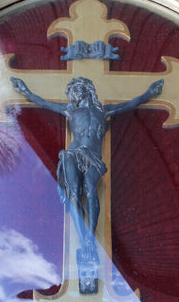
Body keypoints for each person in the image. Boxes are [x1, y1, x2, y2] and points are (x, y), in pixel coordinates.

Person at [11, 75, 163, 258]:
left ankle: (90, 235)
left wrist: (148, 93)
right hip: (73, 154)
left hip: (93, 156)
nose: (75, 92)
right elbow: (43, 103)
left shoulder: (103, 111)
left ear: (87, 89)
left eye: (78, 87)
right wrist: (25, 91)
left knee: (90, 187)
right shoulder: (71, 111)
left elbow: (129, 104)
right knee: (74, 193)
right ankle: (84, 239)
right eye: (73, 90)